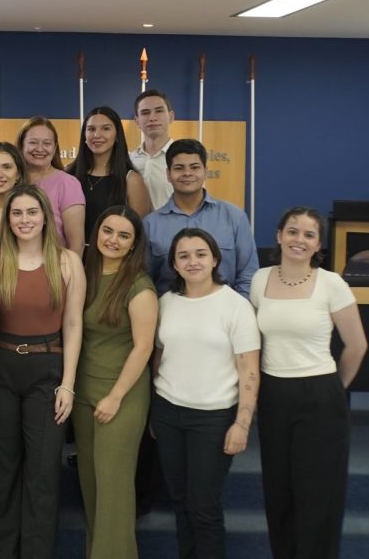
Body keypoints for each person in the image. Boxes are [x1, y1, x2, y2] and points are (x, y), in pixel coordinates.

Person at [250, 207, 368, 559]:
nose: (299, 240)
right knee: (279, 492)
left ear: (318, 244)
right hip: (273, 395)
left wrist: (333, 389)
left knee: (318, 495)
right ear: (278, 235)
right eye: (292, 231)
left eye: (308, 234)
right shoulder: (260, 279)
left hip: (320, 396)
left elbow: (357, 346)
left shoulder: (332, 283)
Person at [0, 185, 85, 559]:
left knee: (42, 473)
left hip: (48, 373)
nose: (24, 220)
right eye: (17, 213)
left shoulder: (68, 261)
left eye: (31, 212)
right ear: (7, 220)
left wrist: (68, 385)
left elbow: (72, 325)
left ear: (45, 218)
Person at [152, 228, 260, 559]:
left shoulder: (235, 306)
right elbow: (158, 357)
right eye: (183, 255)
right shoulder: (165, 303)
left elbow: (249, 370)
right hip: (168, 414)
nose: (193, 261)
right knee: (182, 503)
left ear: (215, 258)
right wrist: (154, 413)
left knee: (203, 506)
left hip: (213, 419)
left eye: (200, 254)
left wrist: (242, 423)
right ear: (173, 264)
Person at [73, 206, 158, 559]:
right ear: (96, 232)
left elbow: (143, 347)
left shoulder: (140, 285)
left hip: (120, 395)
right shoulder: (83, 272)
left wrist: (116, 396)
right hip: (83, 393)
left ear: (134, 244)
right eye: (108, 231)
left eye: (124, 235)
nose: (113, 240)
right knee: (91, 488)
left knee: (113, 490)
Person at [144, 138, 259, 297]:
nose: (187, 173)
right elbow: (145, 280)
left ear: (206, 171)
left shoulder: (234, 217)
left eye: (194, 167)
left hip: (225, 314)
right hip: (170, 314)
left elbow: (248, 274)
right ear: (168, 174)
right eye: (179, 168)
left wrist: (238, 312)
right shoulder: (150, 224)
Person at [69, 106, 152, 246]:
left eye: (106, 128)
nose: (97, 135)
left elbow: (138, 233)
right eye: (91, 129)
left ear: (117, 135)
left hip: (114, 261)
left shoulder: (131, 180)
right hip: (72, 260)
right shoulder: (69, 176)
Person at [16, 117, 85, 252]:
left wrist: (70, 272)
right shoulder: (10, 181)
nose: (40, 149)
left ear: (55, 148)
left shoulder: (67, 184)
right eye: (33, 142)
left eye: (47, 143)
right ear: (21, 145)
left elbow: (76, 245)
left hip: (54, 268)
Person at [130, 89, 176, 211]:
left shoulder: (183, 159)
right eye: (145, 113)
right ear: (137, 121)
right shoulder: (129, 160)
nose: (152, 118)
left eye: (159, 111)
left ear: (171, 117)